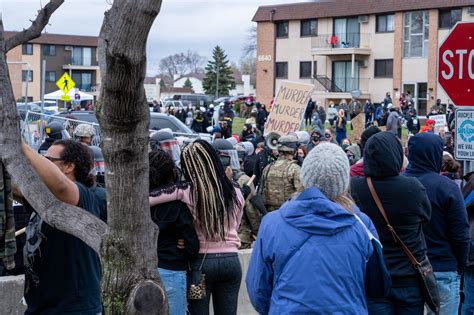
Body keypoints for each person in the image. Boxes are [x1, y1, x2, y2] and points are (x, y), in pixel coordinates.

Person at [247, 143, 376, 314]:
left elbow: (258, 289)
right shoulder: (361, 225)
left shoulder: (272, 224)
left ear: (306, 176)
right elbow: (375, 285)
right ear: (344, 181)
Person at [149, 140, 244, 315]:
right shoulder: (235, 190)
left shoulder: (185, 190)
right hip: (232, 261)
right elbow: (237, 224)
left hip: (201, 265)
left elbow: (148, 198)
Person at [17, 140, 103, 314]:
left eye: (47, 159)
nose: (41, 161)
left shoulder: (83, 195)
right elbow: (14, 188)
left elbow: (62, 186)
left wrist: (20, 144)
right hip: (41, 307)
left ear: (69, 166)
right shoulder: (44, 196)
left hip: (74, 309)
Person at [351, 132, 432, 314]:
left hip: (373, 276)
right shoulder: (413, 187)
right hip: (409, 276)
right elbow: (426, 218)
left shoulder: (355, 187)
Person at [404, 132, 469, 315]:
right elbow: (460, 233)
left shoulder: (399, 184)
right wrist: (459, 264)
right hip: (442, 267)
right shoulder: (446, 187)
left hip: (406, 269)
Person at [149, 149, 199, 315]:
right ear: (172, 174)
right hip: (172, 270)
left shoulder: (134, 204)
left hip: (141, 272)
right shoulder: (178, 206)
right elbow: (193, 247)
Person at [260, 135, 304, 212]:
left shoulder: (268, 168)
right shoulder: (295, 169)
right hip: (289, 213)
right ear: (294, 150)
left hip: (270, 215)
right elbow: (301, 194)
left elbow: (261, 191)